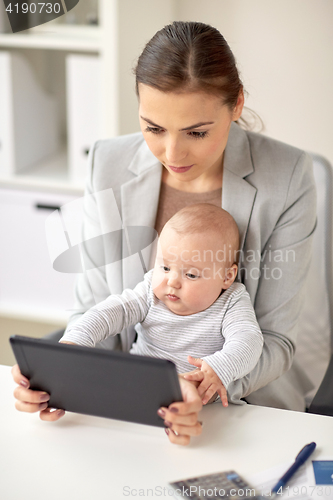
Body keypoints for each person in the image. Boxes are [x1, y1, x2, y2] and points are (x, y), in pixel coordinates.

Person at [12, 21, 316, 445]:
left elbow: (274, 342)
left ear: (236, 104)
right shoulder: (108, 162)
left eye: (197, 132)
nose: (172, 155)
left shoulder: (287, 177)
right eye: (153, 128)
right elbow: (96, 308)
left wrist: (206, 387)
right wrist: (63, 374)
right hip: (130, 402)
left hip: (241, 406)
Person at [59, 204, 264, 406]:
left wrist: (221, 367)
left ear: (227, 277)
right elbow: (111, 312)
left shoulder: (232, 300)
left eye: (191, 274)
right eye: (165, 267)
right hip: (136, 387)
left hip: (198, 403)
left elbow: (249, 340)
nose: (172, 281)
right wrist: (77, 339)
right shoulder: (151, 291)